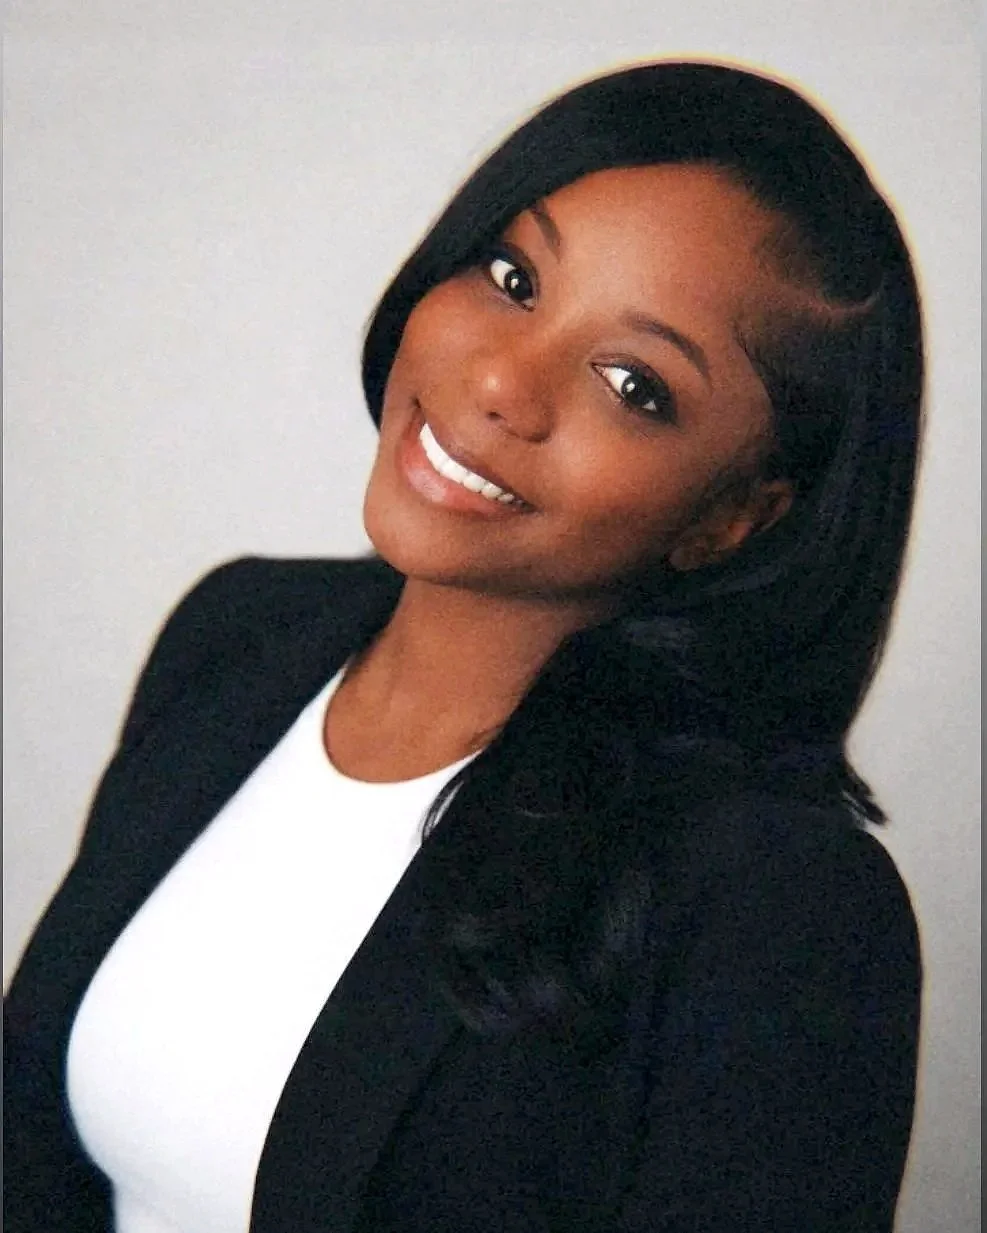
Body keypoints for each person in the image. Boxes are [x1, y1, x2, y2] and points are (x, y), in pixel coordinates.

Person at [4, 60, 923, 1233]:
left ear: (734, 515)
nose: (500, 380)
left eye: (634, 384)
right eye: (513, 275)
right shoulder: (236, 637)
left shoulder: (770, 902)